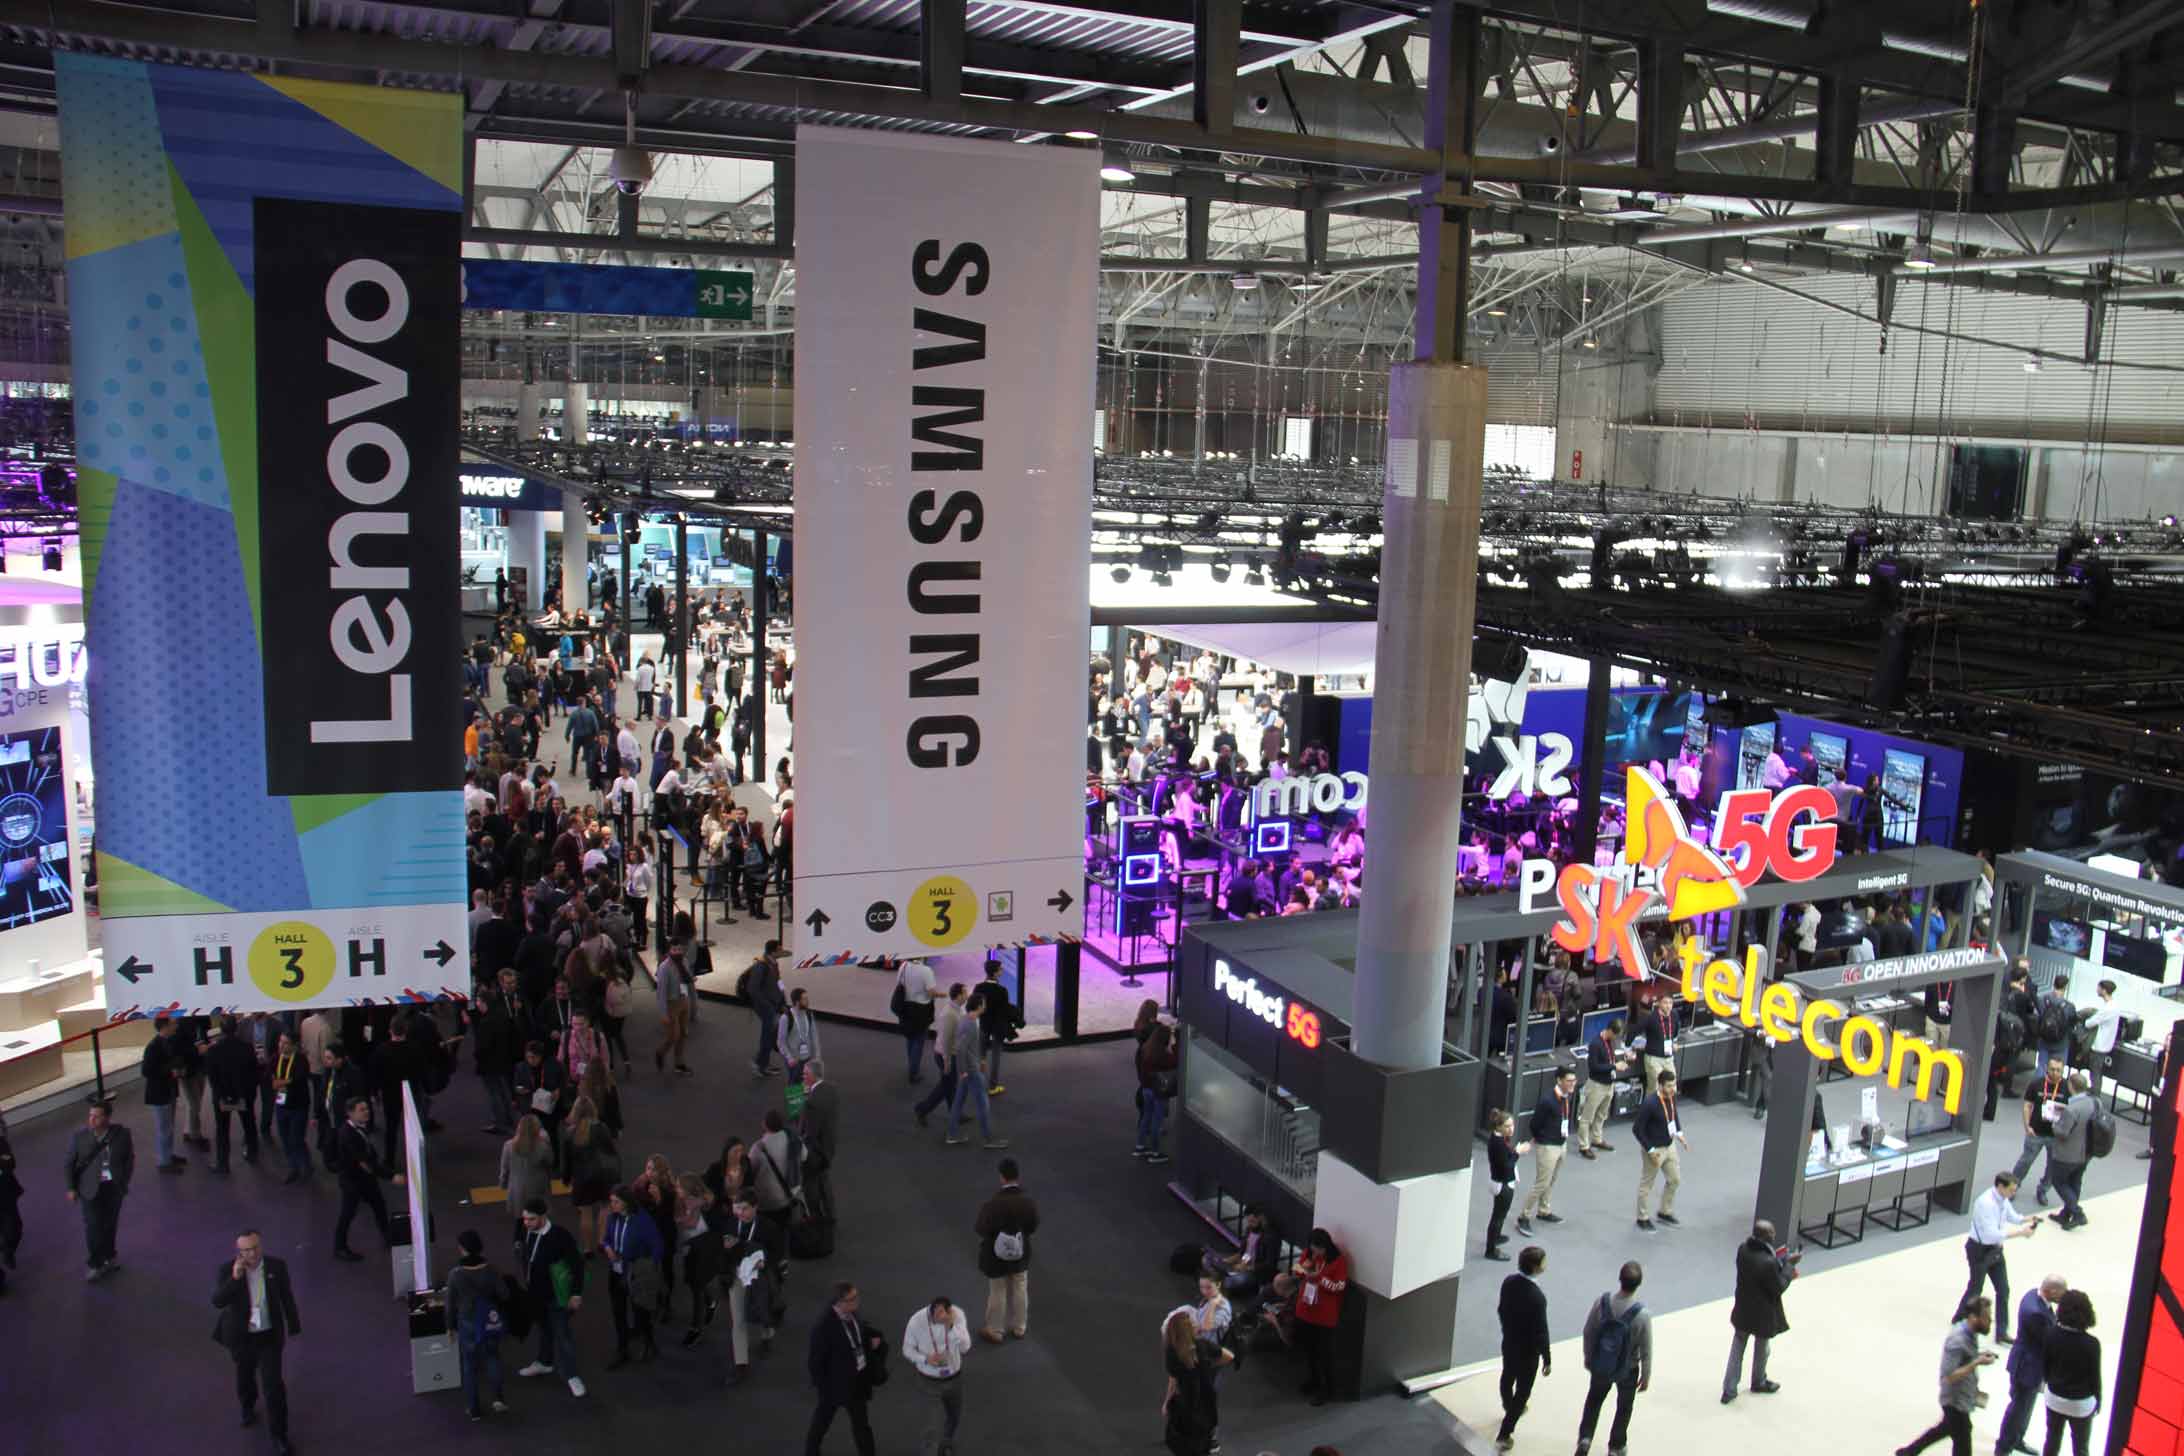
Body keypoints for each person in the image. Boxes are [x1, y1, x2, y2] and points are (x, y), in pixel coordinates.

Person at [213, 1228, 302, 1455]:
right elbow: (218, 1301)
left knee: (274, 1386)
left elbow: (286, 1296)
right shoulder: (227, 1269)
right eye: (246, 1250)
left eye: (255, 1248)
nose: (251, 1254)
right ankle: (247, 1406)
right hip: (241, 1337)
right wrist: (235, 1278)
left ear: (260, 1245)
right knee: (245, 1375)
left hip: (268, 1336)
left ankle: (279, 1435)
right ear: (238, 1251)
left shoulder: (276, 1266)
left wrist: (293, 1324)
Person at [1896, 1298, 1999, 1456]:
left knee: (1946, 1428)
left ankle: (1908, 1452)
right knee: (1962, 1440)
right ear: (1973, 1317)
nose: (1990, 1321)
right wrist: (1977, 1362)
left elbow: (1963, 1359)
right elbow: (1948, 1376)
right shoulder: (1957, 1340)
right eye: (1987, 1317)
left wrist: (1978, 1356)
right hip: (1955, 1401)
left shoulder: (1970, 1333)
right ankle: (1909, 1452)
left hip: (1962, 1398)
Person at [1574, 1261, 1651, 1456]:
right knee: (1624, 1407)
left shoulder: (1602, 1303)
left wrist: (1589, 1358)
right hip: (1628, 1369)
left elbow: (1588, 1331)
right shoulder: (1642, 1315)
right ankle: (1616, 1447)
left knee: (1594, 1401)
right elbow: (1646, 1349)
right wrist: (1645, 1376)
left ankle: (1585, 1440)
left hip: (1601, 1364)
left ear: (1619, 1279)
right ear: (1639, 1284)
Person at [516, 1196, 587, 1398]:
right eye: (524, 1218)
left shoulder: (559, 1236)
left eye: (531, 1219)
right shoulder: (525, 1229)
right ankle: (544, 1362)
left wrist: (576, 1293)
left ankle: (572, 1376)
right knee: (544, 1330)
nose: (526, 1223)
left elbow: (577, 1264)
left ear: (543, 1216)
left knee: (563, 1336)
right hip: (535, 1294)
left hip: (556, 1295)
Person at [1958, 1173, 2042, 1342]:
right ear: (2000, 1187)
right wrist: (2021, 1233)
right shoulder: (1985, 1203)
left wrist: (2028, 1219)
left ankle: (2001, 1332)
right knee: (1975, 1289)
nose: (2013, 1193)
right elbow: (1990, 1235)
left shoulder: (2003, 1199)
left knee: (2003, 1290)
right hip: (1979, 1250)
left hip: (1996, 1250)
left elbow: (2012, 1217)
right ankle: (1959, 1319)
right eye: (2011, 1190)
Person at [806, 1281, 886, 1456]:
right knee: (822, 1422)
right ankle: (811, 1452)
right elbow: (815, 1362)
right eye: (852, 1299)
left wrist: (870, 1341)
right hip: (834, 1385)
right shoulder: (823, 1327)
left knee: (861, 1424)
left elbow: (858, 1335)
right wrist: (823, 1387)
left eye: (856, 1296)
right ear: (839, 1302)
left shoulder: (853, 1314)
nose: (857, 1301)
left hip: (856, 1382)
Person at [1722, 1219, 1794, 1402]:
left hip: (1743, 1309)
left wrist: (1778, 1263)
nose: (1774, 1235)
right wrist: (1789, 1267)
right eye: (1771, 1233)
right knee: (1762, 1349)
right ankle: (1759, 1381)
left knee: (1737, 1349)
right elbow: (1778, 1286)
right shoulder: (1768, 1262)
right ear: (1765, 1237)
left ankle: (1729, 1390)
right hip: (1762, 1315)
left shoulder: (1743, 1250)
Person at [63, 1096, 134, 1280]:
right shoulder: (79, 1137)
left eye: (97, 1116)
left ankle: (109, 1256)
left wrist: (124, 1180)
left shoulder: (122, 1134)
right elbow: (69, 1164)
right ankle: (95, 1263)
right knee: (94, 1226)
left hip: (113, 1187)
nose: (92, 1119)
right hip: (89, 1188)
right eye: (90, 1115)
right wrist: (71, 1188)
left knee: (110, 1224)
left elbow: (128, 1159)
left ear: (107, 1118)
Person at [1998, 1274, 2067, 1456]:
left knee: (2025, 1409)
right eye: (2062, 1293)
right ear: (2052, 1291)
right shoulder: (2036, 1313)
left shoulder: (2032, 1295)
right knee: (2018, 1410)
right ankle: (2003, 1448)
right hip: (2027, 1368)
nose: (2064, 1297)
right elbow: (2048, 1341)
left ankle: (2016, 1439)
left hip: (2028, 1364)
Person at [447, 1230, 511, 1420]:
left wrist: (450, 1327)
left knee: (470, 1365)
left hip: (467, 1322)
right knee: (493, 1358)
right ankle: (498, 1399)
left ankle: (473, 1408)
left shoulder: (456, 1274)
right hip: (489, 1320)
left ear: (462, 1249)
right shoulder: (491, 1269)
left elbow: (450, 1303)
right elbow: (505, 1294)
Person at [974, 1157, 1038, 1344]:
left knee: (998, 1290)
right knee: (1020, 1286)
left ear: (1001, 1177)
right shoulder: (1028, 1202)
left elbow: (980, 1228)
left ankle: (995, 1330)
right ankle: (1020, 1327)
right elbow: (1032, 1226)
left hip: (996, 1257)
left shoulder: (993, 1204)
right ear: (1018, 1176)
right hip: (1020, 1253)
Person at [1494, 1245, 1551, 1452]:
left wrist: (1507, 1330)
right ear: (1536, 1267)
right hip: (1528, 1351)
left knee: (1507, 1376)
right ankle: (1505, 1433)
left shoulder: (1509, 1282)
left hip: (1509, 1342)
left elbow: (1501, 1309)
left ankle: (1507, 1405)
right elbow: (1541, 1331)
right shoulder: (1537, 1297)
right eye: (1544, 1261)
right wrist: (1547, 1358)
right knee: (1523, 1391)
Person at [601, 1185, 664, 1368]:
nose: (612, 1205)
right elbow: (606, 1239)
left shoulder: (642, 1220)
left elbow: (657, 1246)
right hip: (616, 1272)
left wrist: (649, 1268)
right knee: (618, 1311)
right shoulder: (612, 1218)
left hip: (636, 1272)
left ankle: (648, 1342)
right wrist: (607, 1248)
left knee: (640, 1310)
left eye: (616, 1202)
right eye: (611, 1201)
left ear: (627, 1202)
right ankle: (622, 1349)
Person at [903, 1294, 973, 1456]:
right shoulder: (916, 1321)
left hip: (954, 1379)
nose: (938, 1319)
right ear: (931, 1310)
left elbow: (965, 1347)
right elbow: (907, 1350)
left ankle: (946, 1443)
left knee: (954, 1417)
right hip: (929, 1382)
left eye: (943, 1315)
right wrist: (925, 1359)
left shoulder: (957, 1315)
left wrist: (951, 1326)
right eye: (936, 1315)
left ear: (949, 1312)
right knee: (930, 1427)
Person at [332, 1096, 399, 1262]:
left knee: (379, 1204)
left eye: (367, 1108)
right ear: (350, 1113)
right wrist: (392, 1176)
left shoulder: (359, 1127)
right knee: (348, 1213)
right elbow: (366, 1163)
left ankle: (387, 1235)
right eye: (362, 1110)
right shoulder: (348, 1135)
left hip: (364, 1178)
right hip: (352, 1181)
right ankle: (339, 1247)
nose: (367, 1112)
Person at [1161, 1305, 1230, 1456]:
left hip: (1186, 1404)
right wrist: (1209, 1367)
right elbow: (1229, 1356)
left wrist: (1166, 1402)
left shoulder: (1172, 1354)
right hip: (1206, 1402)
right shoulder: (1203, 1345)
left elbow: (1173, 1381)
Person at [2039, 1289, 2100, 1456]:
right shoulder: (2092, 1344)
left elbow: (2045, 1368)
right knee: (2081, 1448)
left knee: (2052, 1441)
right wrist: (2098, 1400)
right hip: (2081, 1404)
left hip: (2055, 1398)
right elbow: (2095, 1378)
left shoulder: (2050, 1334)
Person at [1292, 1227, 1349, 1406]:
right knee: (1309, 1350)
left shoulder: (1338, 1261)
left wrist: (1319, 1278)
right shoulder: (1310, 1254)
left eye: (1319, 1249)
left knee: (1324, 1354)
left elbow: (1339, 1286)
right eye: (1313, 1248)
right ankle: (1314, 1380)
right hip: (1306, 1309)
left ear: (1326, 1246)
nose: (1316, 1252)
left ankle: (1328, 1389)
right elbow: (1297, 1268)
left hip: (1324, 1315)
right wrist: (1304, 1270)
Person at [946, 989, 1008, 1150]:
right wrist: (963, 1071)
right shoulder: (970, 1025)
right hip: (971, 1072)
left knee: (958, 1102)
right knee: (983, 1105)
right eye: (984, 1004)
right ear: (979, 1006)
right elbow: (961, 1049)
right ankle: (989, 1139)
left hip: (969, 1069)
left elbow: (966, 1048)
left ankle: (952, 1135)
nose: (985, 1006)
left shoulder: (967, 1020)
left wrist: (978, 1061)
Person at [1517, 1068, 1575, 1234]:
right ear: (1559, 1080)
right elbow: (1534, 1124)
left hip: (1561, 1144)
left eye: (1574, 1080)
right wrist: (1543, 1140)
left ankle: (1544, 1210)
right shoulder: (1547, 1100)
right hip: (1548, 1147)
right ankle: (1523, 1216)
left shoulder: (1566, 1096)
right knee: (1542, 1183)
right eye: (1569, 1081)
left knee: (1552, 1180)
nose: (1572, 1084)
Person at [1633, 1070, 1688, 1231]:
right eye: (1669, 1086)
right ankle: (1642, 1218)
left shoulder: (1671, 1097)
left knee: (1675, 1179)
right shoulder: (1649, 1103)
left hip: (1669, 1146)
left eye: (1674, 1085)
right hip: (1654, 1150)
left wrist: (1679, 1134)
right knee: (1647, 1184)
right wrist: (1650, 1150)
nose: (1672, 1089)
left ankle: (1665, 1211)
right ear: (1660, 1085)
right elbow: (1637, 1129)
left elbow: (1673, 1115)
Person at [205, 1017, 262, 1174]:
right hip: (243, 1095)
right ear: (236, 1029)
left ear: (221, 1030)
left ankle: (222, 1163)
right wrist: (249, 1093)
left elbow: (212, 1077)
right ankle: (252, 1153)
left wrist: (221, 1095)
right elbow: (254, 1073)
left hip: (223, 1097)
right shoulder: (247, 1048)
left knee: (222, 1130)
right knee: (249, 1124)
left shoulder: (213, 1050)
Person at [2045, 1073, 2098, 1231]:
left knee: (2059, 1182)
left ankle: (2077, 1213)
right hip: (2086, 1153)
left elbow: (2062, 1133)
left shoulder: (2071, 1109)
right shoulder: (2094, 1102)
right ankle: (2066, 1214)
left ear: (2071, 1086)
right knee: (2075, 1182)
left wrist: (2054, 1124)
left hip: (2068, 1155)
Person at [2012, 1060, 2067, 1208]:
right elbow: (2027, 1105)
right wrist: (2027, 1126)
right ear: (2046, 1068)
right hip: (2035, 1132)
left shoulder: (2066, 1087)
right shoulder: (2036, 1084)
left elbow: (2071, 1110)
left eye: (2058, 1070)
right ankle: (2013, 1186)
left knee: (2053, 1167)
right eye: (2052, 1069)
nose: (2055, 1073)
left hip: (2056, 1136)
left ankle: (2043, 1190)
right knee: (2025, 1161)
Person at [141, 1014, 190, 1172]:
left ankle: (168, 1155)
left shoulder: (167, 1043)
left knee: (169, 1126)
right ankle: (164, 1162)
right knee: (164, 1129)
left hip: (168, 1091)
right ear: (164, 1026)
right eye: (173, 1023)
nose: (176, 1026)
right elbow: (147, 1071)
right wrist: (170, 1071)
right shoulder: (153, 1047)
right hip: (159, 1094)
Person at [1483, 1109, 1530, 1261]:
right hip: (1502, 1184)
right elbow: (1507, 1165)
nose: (1511, 1129)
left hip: (1500, 1181)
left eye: (1512, 1125)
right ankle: (1491, 1250)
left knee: (1500, 1215)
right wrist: (1518, 1152)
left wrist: (1515, 1151)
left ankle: (1496, 1237)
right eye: (1507, 1126)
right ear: (1499, 1127)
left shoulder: (1498, 1139)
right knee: (1498, 1217)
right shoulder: (1498, 1144)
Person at [800, 1060, 840, 1224]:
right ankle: (831, 1214)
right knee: (824, 1180)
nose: (802, 1076)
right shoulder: (832, 1089)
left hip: (815, 1152)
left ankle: (815, 1216)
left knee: (810, 1186)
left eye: (805, 1074)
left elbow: (809, 1133)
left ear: (813, 1076)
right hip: (829, 1147)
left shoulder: (811, 1103)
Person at [1577, 1019, 1626, 1156]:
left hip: (1609, 1084)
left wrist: (1621, 1061)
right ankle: (1584, 1146)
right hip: (1596, 1085)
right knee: (1587, 1117)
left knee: (1602, 1114)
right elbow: (1594, 1067)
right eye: (1615, 1035)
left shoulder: (1610, 1042)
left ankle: (1597, 1139)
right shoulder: (1595, 1044)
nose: (1616, 1038)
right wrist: (1614, 1066)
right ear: (1610, 1030)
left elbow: (1610, 1059)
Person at [1136, 1019, 1178, 1163]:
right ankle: (1155, 1153)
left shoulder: (1145, 1050)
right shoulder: (1163, 1055)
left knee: (1146, 1117)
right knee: (1157, 1122)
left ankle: (1140, 1146)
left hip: (1146, 1089)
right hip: (1158, 1092)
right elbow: (1176, 1061)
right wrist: (1174, 1045)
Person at [978, 960, 1020, 1094]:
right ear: (995, 972)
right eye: (1000, 969)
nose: (1002, 970)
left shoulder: (979, 987)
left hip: (984, 1025)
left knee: (981, 1055)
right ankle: (993, 1086)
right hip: (998, 1026)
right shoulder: (1002, 990)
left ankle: (977, 1083)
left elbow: (976, 1006)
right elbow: (1005, 1010)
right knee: (996, 1056)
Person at [749, 939, 789, 1078]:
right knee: (768, 1036)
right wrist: (767, 1005)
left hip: (772, 1005)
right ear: (773, 951)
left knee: (770, 1035)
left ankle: (762, 1062)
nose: (782, 952)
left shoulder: (773, 963)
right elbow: (753, 989)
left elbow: (778, 982)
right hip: (766, 1007)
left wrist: (782, 1001)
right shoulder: (761, 966)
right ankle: (760, 1065)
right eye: (780, 950)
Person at [895, 958, 938, 1083]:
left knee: (910, 1038)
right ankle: (914, 1073)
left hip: (906, 1007)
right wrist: (942, 994)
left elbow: (899, 983)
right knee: (918, 1042)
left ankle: (911, 1065)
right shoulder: (926, 970)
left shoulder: (903, 966)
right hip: (921, 1010)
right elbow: (931, 992)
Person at [780, 986, 823, 1084]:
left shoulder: (809, 1014)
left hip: (807, 1057)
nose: (808, 1001)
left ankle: (799, 1094)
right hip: (794, 1058)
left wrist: (817, 1055)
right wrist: (789, 1058)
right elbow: (781, 1042)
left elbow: (814, 1035)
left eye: (807, 998)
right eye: (804, 999)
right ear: (797, 1002)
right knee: (794, 1082)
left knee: (804, 1081)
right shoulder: (786, 1018)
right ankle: (794, 1094)